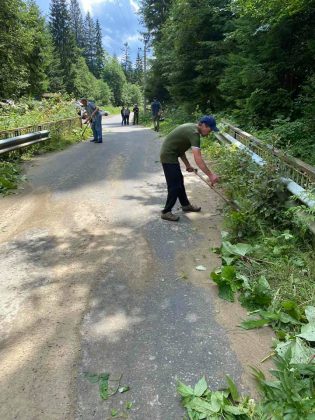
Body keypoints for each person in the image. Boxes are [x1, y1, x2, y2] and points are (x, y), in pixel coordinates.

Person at [160, 115, 219, 221]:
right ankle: (166, 212)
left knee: (179, 181)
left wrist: (187, 165)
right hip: (168, 155)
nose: (210, 132)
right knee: (175, 185)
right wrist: (210, 175)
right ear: (204, 125)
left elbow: (179, 148)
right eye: (210, 129)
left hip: (172, 154)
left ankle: (185, 205)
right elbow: (198, 158)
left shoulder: (192, 129)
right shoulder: (194, 133)